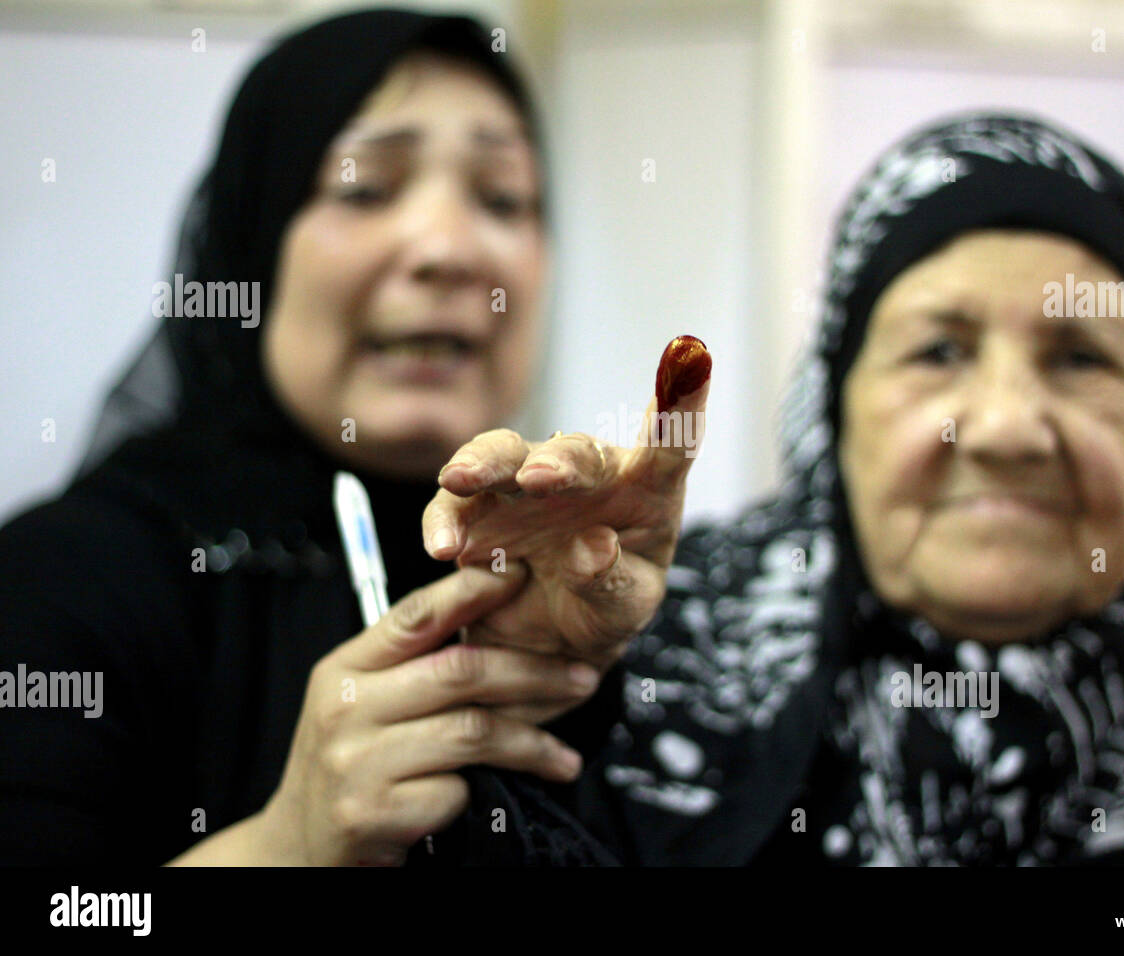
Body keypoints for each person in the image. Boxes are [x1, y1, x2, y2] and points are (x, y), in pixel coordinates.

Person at [428, 113, 1124, 865]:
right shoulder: (641, 660)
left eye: (1081, 358)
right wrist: (525, 692)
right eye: (939, 351)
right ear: (834, 416)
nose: (1003, 429)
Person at [0, 8, 699, 867]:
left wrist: (579, 681)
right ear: (251, 244)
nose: (449, 249)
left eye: (503, 197)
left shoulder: (595, 580)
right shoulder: (67, 582)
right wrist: (286, 845)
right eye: (365, 187)